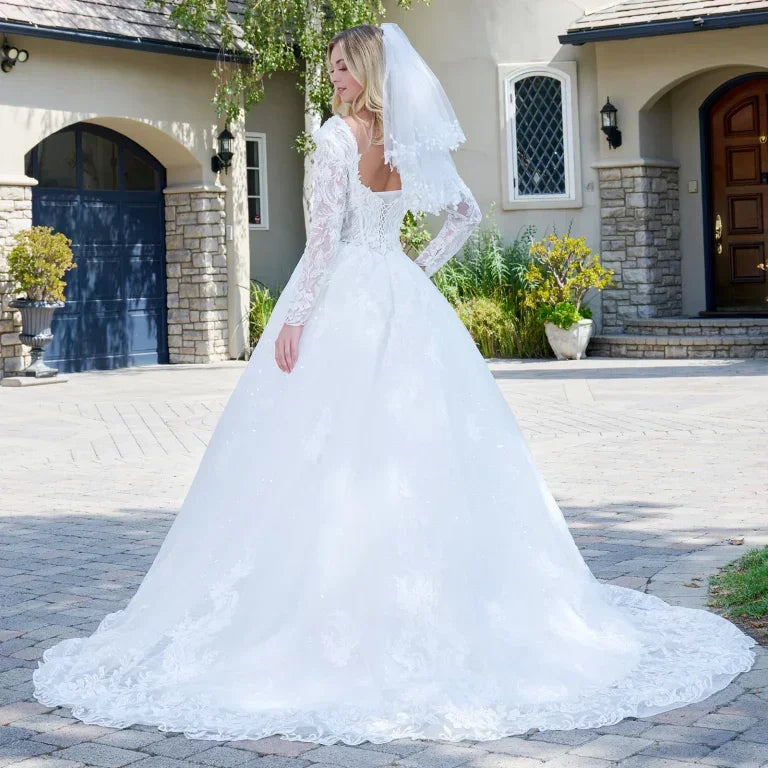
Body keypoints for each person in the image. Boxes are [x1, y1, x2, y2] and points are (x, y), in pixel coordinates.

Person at [32, 22, 756, 747]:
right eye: (331, 69)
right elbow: (463, 214)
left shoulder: (333, 139)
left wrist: (294, 319)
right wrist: (414, 269)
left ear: (369, 71)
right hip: (401, 297)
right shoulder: (407, 138)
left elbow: (322, 243)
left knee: (333, 447)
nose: (335, 79)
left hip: (346, 295)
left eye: (344, 68)